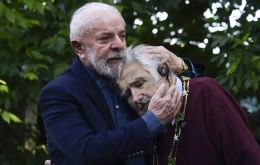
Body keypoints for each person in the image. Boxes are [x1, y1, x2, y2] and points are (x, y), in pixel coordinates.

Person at [39, 2, 198, 165]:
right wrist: (152, 121)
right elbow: (86, 151)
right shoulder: (58, 92)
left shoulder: (129, 75)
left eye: (121, 35)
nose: (119, 45)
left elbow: (189, 99)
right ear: (79, 48)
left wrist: (183, 66)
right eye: (104, 38)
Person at [117, 45, 260, 165]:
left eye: (139, 83)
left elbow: (246, 156)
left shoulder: (205, 92)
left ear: (163, 72)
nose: (135, 98)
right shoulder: (146, 126)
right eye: (127, 94)